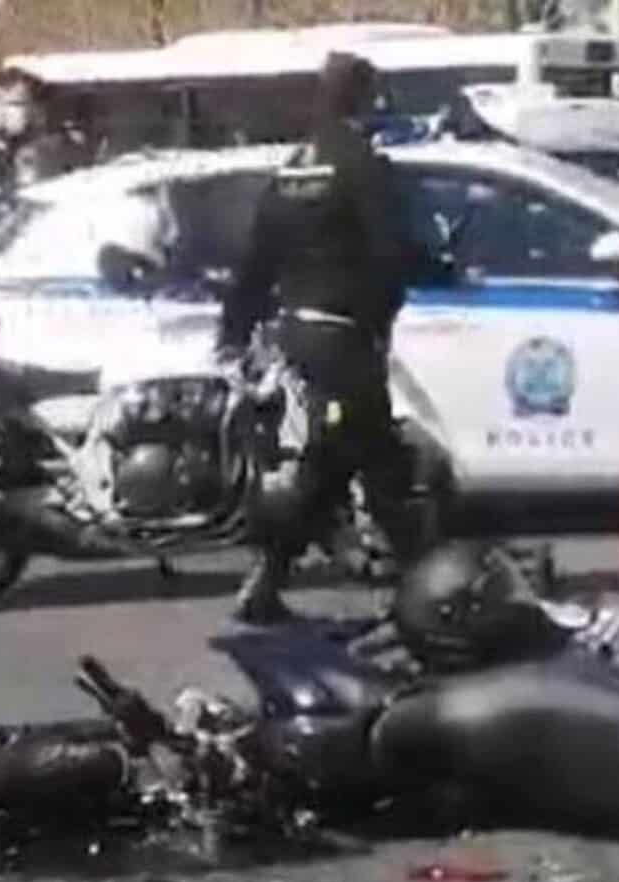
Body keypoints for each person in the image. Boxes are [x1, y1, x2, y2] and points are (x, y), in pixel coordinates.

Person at [217, 51, 430, 625]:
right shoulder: (362, 165)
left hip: (298, 330)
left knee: (335, 457)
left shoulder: (292, 169)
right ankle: (424, 594)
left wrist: (234, 330)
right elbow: (390, 252)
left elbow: (256, 260)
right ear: (364, 97)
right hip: (344, 334)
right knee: (376, 460)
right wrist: (384, 314)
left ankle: (268, 582)